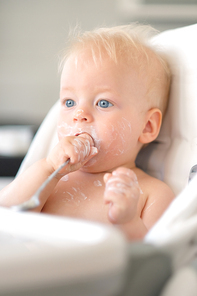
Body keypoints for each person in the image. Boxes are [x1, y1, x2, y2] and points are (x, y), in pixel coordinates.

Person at [0, 24, 175, 240]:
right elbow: (6, 217)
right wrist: (48, 168)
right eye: (70, 102)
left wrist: (128, 222)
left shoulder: (150, 193)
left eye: (103, 103)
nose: (79, 114)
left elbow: (151, 262)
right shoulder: (51, 178)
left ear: (147, 126)